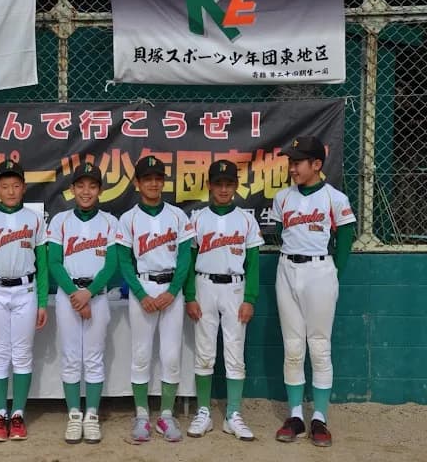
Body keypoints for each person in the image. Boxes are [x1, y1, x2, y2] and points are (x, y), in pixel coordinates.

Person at [272, 136, 355, 447]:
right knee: (293, 346)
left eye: (298, 162)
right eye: (290, 162)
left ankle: (319, 417)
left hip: (320, 269)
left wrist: (334, 272)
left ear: (316, 164)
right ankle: (295, 415)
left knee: (319, 346)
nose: (292, 167)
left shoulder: (335, 198)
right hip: (287, 268)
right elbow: (281, 231)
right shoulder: (282, 198)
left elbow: (346, 238)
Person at [183, 160, 264, 441]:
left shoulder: (245, 219)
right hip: (204, 284)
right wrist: (190, 296)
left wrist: (250, 298)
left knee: (235, 352)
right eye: (218, 183)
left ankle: (233, 413)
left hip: (235, 288)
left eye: (229, 184)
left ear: (236, 186)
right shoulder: (197, 219)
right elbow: (189, 259)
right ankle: (204, 411)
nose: (223, 189)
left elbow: (253, 262)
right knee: (205, 352)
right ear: (209, 186)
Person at [117, 156, 195, 443]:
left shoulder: (178, 216)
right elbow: (124, 260)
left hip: (170, 290)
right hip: (143, 288)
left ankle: (165, 415)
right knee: (140, 354)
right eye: (147, 178)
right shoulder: (128, 218)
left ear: (163, 181)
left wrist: (173, 292)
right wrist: (140, 294)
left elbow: (185, 258)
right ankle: (140, 416)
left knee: (171, 355)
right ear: (137, 183)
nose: (153, 183)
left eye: (158, 178)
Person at [0, 159, 48, 442]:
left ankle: (18, 414)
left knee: (22, 353)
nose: (11, 190)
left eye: (16, 185)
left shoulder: (34, 218)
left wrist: (42, 302)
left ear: (23, 187)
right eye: (5, 186)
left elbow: (42, 263)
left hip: (26, 291)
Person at [47, 162, 119, 444]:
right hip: (68, 295)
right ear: (72, 189)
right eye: (81, 185)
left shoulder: (110, 222)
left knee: (93, 357)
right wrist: (76, 294)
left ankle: (92, 414)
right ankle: (74, 414)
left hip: (97, 296)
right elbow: (54, 261)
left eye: (92, 186)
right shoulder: (60, 221)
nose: (86, 191)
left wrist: (88, 293)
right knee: (70, 357)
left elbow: (111, 263)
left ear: (99, 190)